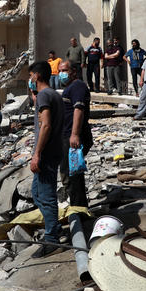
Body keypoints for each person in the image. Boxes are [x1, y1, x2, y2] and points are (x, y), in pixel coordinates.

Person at [28, 61, 64, 258]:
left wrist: (37, 153)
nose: (30, 79)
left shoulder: (44, 95)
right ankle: (54, 225)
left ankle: (52, 239)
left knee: (47, 195)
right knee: (37, 193)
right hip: (53, 150)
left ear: (37, 76)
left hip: (47, 153)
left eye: (31, 75)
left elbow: (46, 125)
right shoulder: (52, 95)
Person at [57, 60, 93, 208]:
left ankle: (79, 208)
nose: (61, 74)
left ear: (74, 71)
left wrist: (75, 135)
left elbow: (78, 110)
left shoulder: (78, 86)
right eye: (59, 70)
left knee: (73, 175)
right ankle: (76, 204)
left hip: (73, 138)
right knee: (69, 172)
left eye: (64, 70)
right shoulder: (70, 87)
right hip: (67, 136)